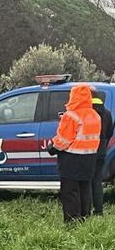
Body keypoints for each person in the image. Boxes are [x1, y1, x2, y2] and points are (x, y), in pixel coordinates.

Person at [46, 84, 101, 224]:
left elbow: (63, 140)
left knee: (70, 192)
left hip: (71, 158)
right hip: (90, 158)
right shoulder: (95, 115)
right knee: (85, 190)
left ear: (74, 96)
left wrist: (51, 147)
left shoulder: (71, 115)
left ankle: (71, 222)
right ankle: (84, 219)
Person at [91, 94, 113, 216]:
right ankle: (99, 211)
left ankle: (87, 210)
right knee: (97, 181)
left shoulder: (88, 113)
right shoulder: (108, 113)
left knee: (87, 181)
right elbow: (110, 131)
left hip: (88, 150)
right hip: (101, 150)